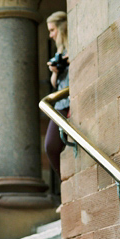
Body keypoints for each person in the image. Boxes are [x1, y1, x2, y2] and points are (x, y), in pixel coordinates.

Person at [44, 12, 69, 185]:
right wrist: (55, 71)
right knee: (51, 145)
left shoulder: (73, 49)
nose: (51, 35)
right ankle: (65, 184)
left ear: (62, 28)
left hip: (71, 102)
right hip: (61, 103)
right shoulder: (59, 53)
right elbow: (55, 84)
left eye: (53, 30)